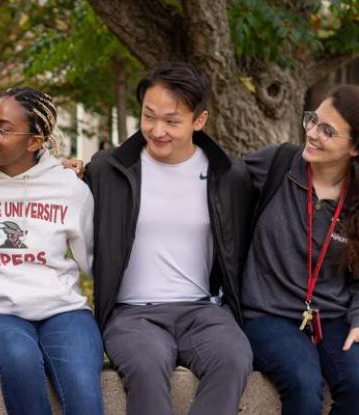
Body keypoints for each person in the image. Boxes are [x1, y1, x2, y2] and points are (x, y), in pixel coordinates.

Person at [84, 62, 256, 415]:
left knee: (234, 357)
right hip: (132, 315)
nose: (157, 130)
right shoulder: (106, 170)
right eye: (149, 116)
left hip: (202, 310)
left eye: (172, 121)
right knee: (146, 367)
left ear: (199, 120)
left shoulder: (228, 175)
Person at [0, 87, 103, 414]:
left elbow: (94, 263)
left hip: (64, 312)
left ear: (34, 141)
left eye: (4, 128)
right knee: (21, 359)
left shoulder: (68, 187)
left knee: (83, 387)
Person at [241, 84, 359, 415]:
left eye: (328, 130)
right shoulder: (275, 165)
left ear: (355, 148)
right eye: (313, 119)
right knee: (304, 385)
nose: (311, 132)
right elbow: (211, 178)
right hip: (267, 313)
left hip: (331, 317)